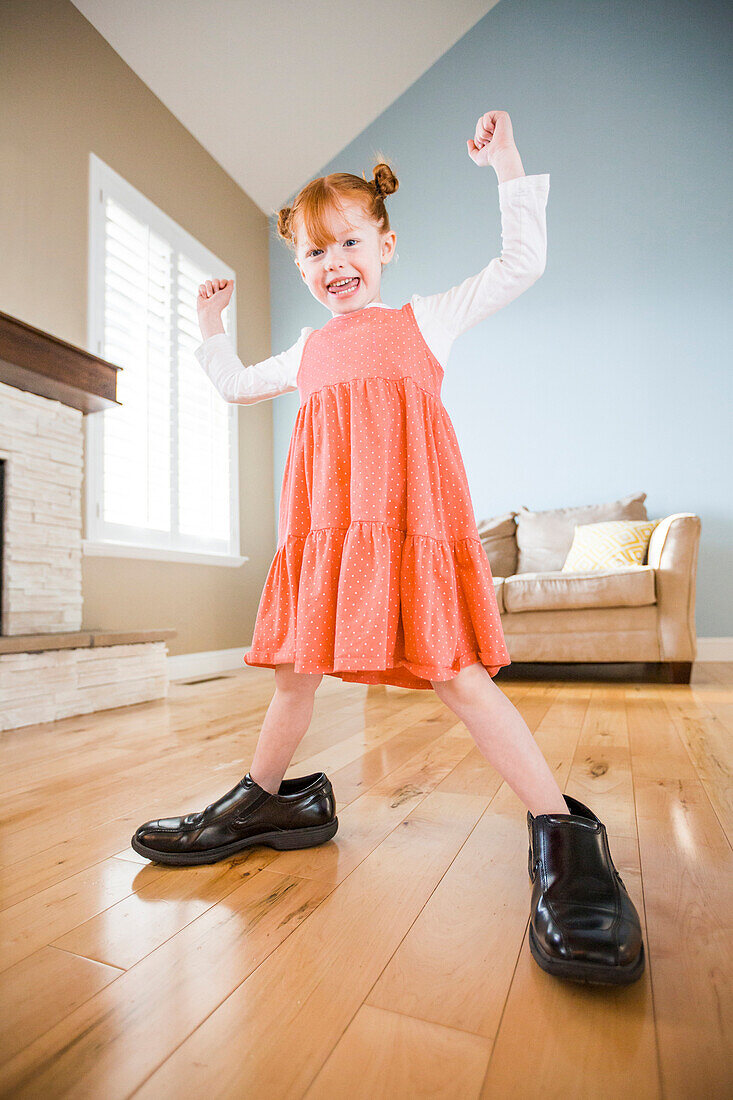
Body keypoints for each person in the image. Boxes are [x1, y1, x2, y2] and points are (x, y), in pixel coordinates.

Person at [131, 111, 645, 986]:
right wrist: (209, 328)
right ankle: (262, 802)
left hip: (408, 531)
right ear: (300, 267)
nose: (334, 265)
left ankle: (564, 833)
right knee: (297, 669)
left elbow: (520, 263)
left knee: (455, 674)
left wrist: (508, 164)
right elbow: (230, 387)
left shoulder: (426, 319)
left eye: (349, 244)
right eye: (314, 254)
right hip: (328, 538)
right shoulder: (304, 350)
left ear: (386, 242)